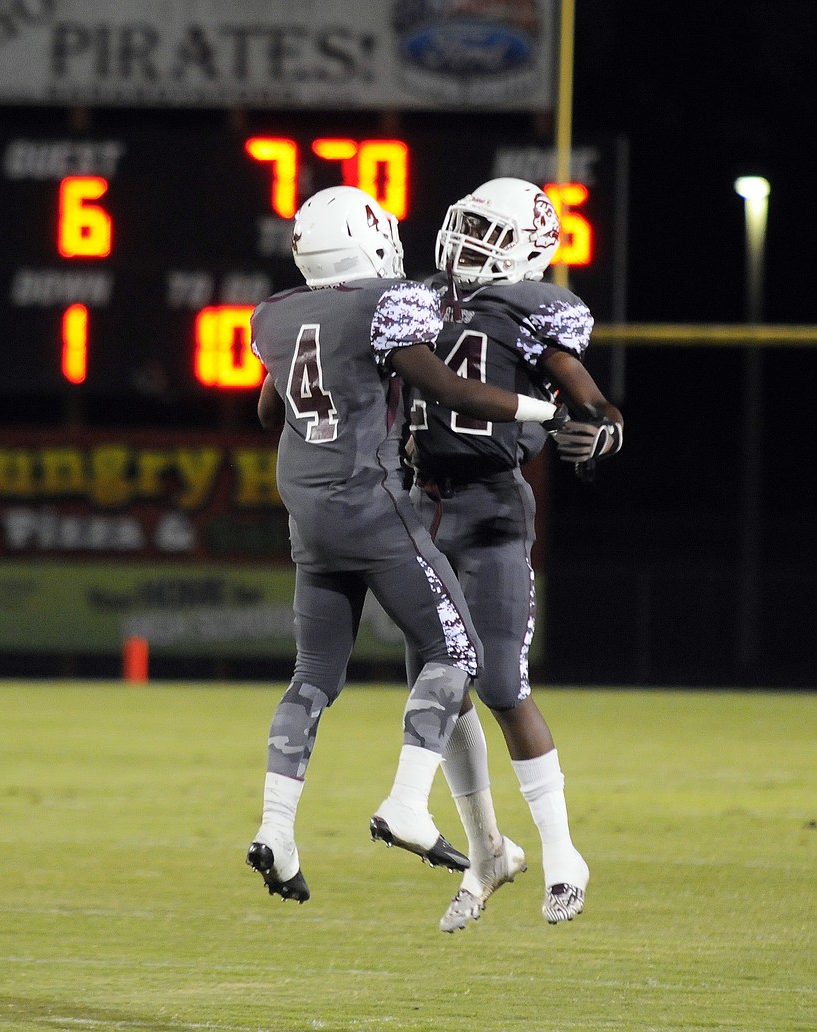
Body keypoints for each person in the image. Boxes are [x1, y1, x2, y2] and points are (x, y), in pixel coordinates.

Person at [245, 185, 568, 904]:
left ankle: (277, 828)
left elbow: (269, 409)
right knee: (458, 654)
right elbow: (454, 391)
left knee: (312, 676)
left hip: (304, 512)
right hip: (372, 507)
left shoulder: (274, 314)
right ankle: (407, 803)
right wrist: (549, 406)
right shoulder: (386, 301)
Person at [403, 177, 624, 930]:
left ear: (527, 248)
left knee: (499, 681)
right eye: (466, 226)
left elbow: (590, 400)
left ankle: (562, 854)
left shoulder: (534, 308)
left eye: (488, 233)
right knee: (441, 688)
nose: (468, 243)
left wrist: (602, 428)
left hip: (492, 505)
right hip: (419, 506)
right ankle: (487, 850)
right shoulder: (419, 297)